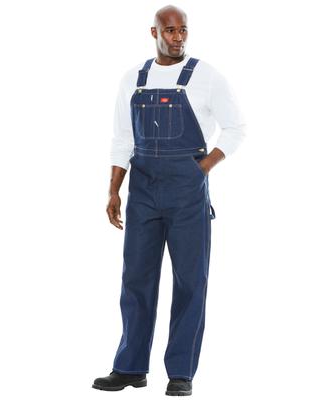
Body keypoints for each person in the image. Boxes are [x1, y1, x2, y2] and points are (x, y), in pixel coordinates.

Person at [92, 4, 246, 396]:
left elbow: (235, 128)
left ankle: (180, 372)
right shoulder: (134, 78)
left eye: (183, 30)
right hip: (142, 192)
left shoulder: (206, 76)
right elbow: (122, 138)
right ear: (154, 33)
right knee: (136, 279)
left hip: (187, 194)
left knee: (190, 281)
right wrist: (113, 189)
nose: (178, 38)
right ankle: (130, 367)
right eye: (170, 31)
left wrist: (203, 167)